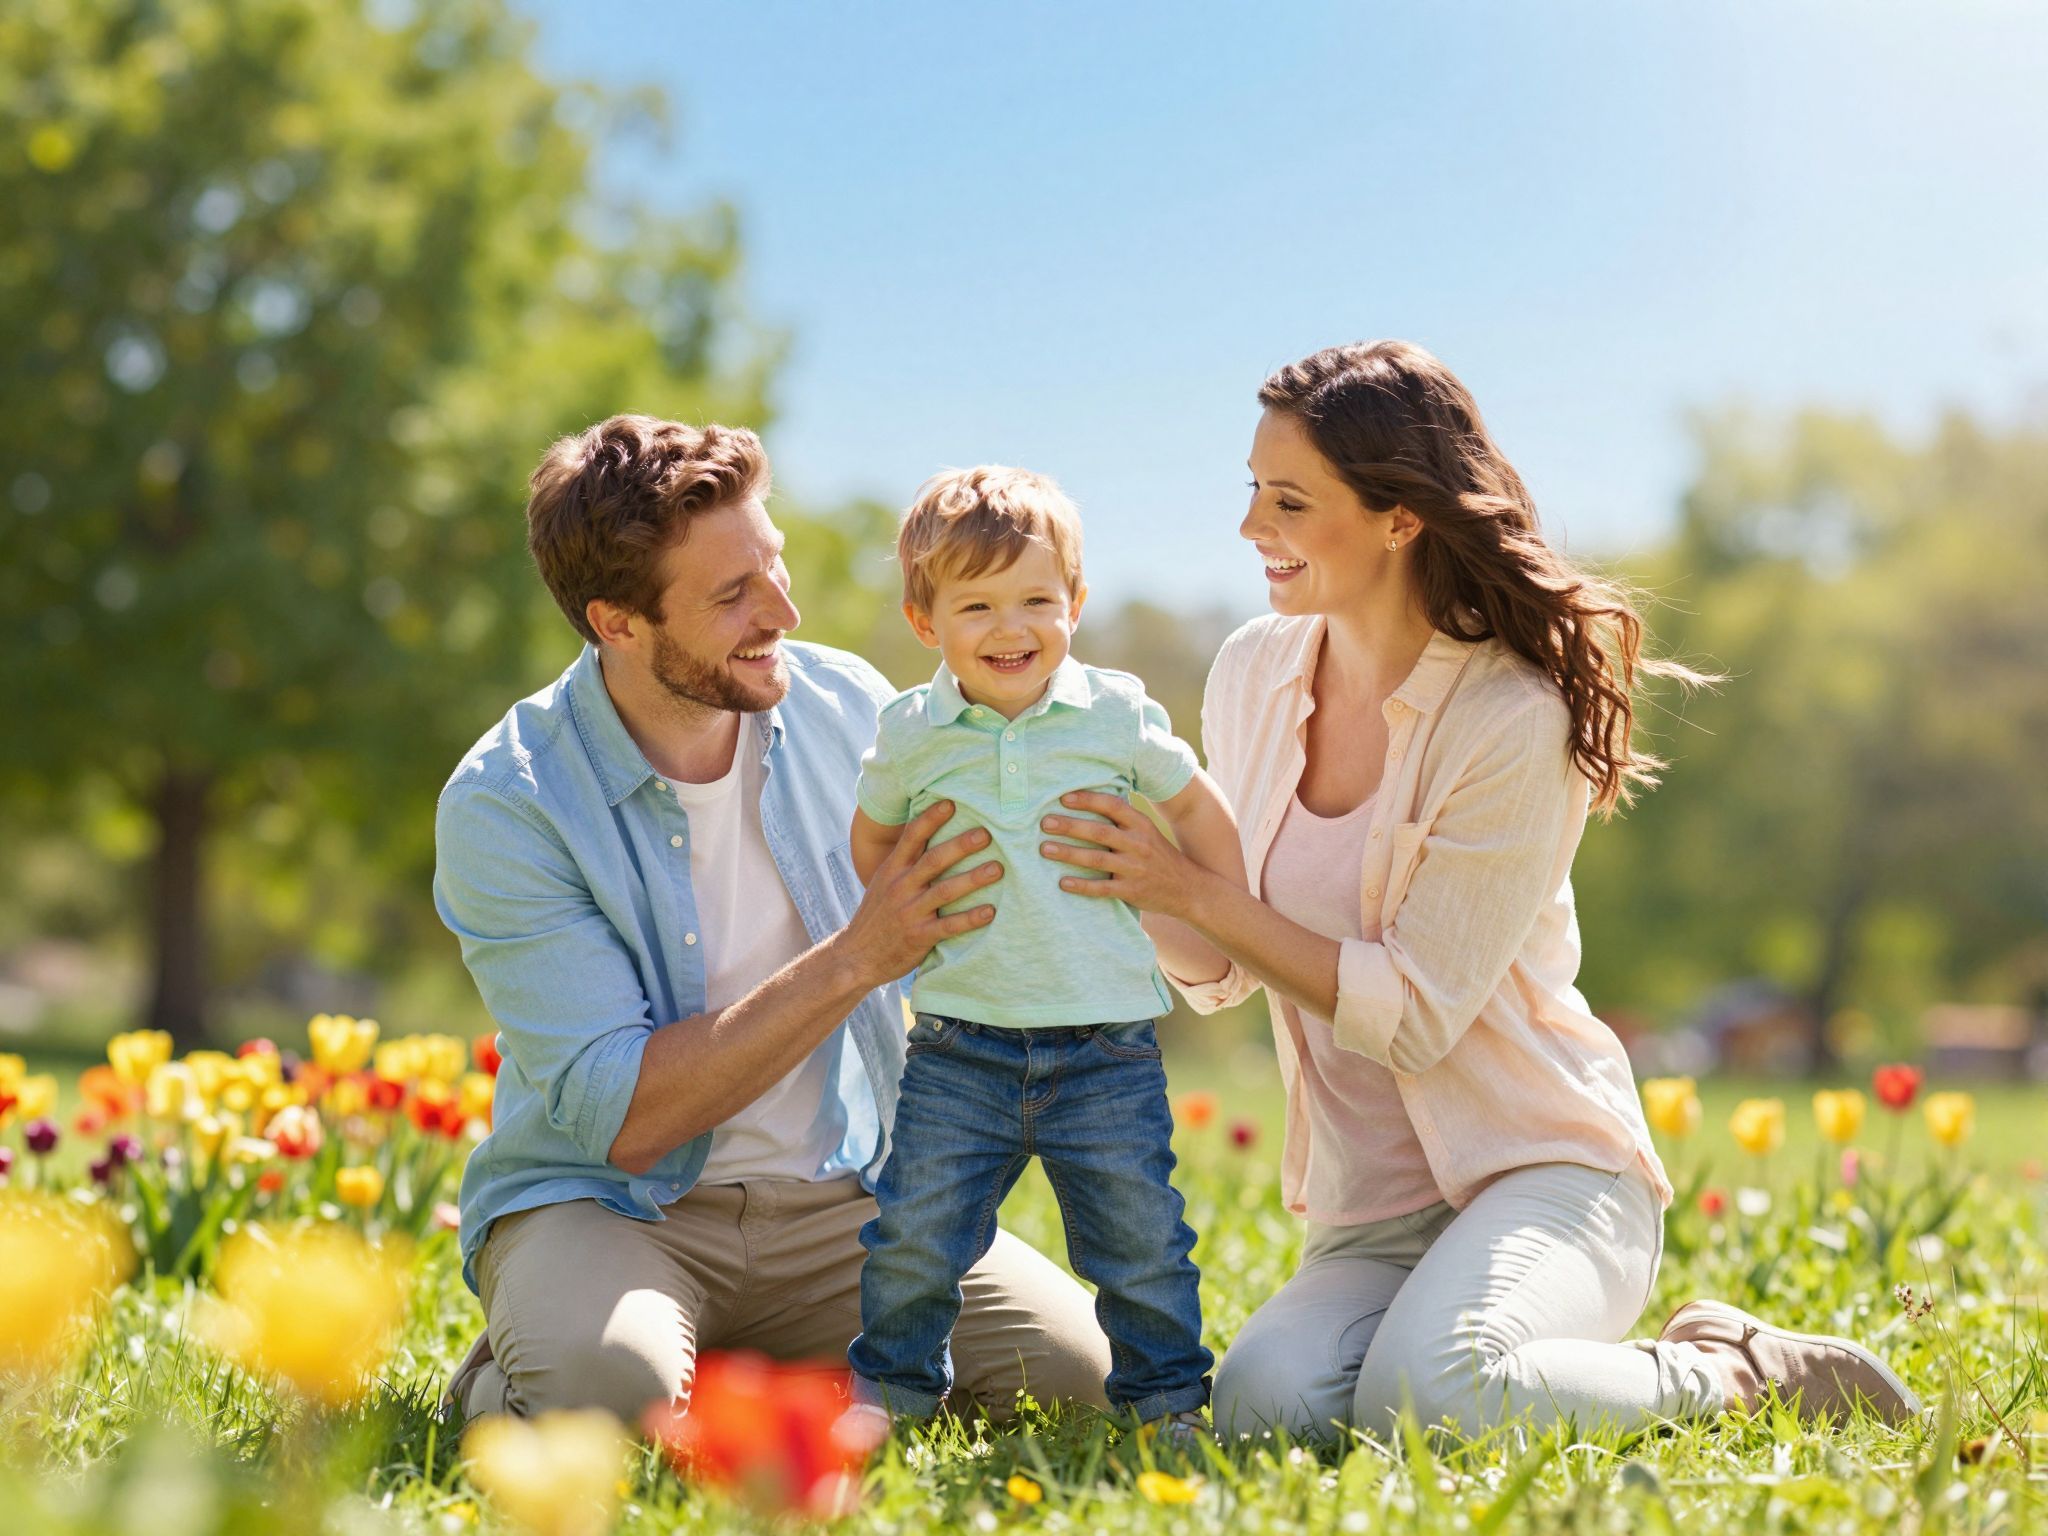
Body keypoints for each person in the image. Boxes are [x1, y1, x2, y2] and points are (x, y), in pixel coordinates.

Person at [1036, 341, 1921, 1440]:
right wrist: (1114, 872)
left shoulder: (1510, 717)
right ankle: (1462, 1342)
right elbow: (1217, 973)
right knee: (1263, 1408)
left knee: (1436, 1394)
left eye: (1288, 500)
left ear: (1398, 517)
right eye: (1250, 490)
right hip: (1371, 1214)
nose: (1249, 526)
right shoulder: (1250, 675)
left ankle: (1732, 1369)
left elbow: (1410, 1015)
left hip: (1543, 1171)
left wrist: (1191, 890)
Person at [433, 416, 1112, 1424]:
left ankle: (747, 1378)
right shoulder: (511, 800)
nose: (784, 611)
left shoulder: (848, 707)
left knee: (1076, 1383)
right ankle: (523, 1376)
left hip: (841, 1209)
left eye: (774, 566)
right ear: (616, 622)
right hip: (615, 1210)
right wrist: (855, 959)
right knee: (608, 1394)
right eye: (732, 594)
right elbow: (626, 1120)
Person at [843, 467, 1244, 1437]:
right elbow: (869, 838)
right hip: (958, 1045)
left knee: (1138, 1240)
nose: (1009, 626)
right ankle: (891, 1404)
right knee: (914, 1239)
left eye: (1035, 600)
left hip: (1101, 1048)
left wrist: (1221, 904)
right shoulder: (909, 731)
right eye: (975, 605)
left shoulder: (1112, 713)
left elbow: (1191, 804)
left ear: (1075, 603)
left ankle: (1167, 1407)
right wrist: (905, 896)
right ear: (924, 621)